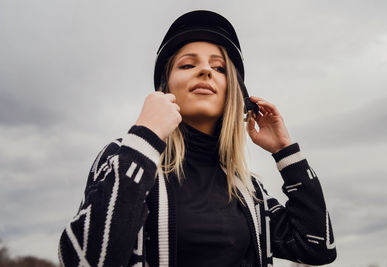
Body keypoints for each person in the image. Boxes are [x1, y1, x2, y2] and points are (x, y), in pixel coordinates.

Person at [59, 10, 337, 267]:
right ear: (164, 87)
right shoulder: (126, 155)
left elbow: (317, 246)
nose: (205, 71)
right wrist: (146, 135)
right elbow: (83, 260)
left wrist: (285, 152)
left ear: (234, 93)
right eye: (187, 64)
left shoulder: (248, 188)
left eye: (219, 68)